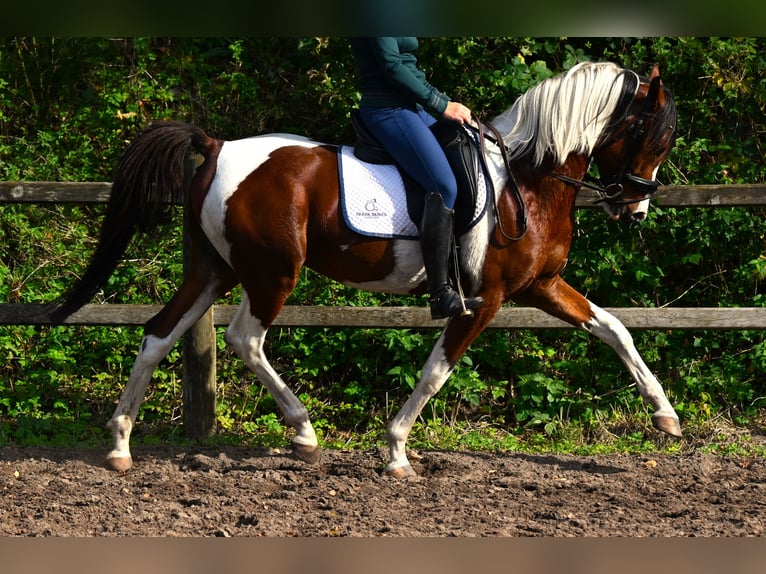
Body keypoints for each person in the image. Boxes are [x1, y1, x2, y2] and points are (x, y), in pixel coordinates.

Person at [350, 37, 483, 320]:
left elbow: (409, 64)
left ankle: (466, 265)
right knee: (444, 185)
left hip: (413, 108)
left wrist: (436, 102)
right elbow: (392, 65)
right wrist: (441, 103)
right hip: (387, 109)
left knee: (469, 152)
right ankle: (440, 294)